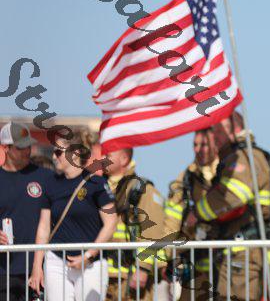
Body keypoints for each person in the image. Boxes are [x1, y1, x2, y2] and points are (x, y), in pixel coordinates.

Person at [28, 133, 118, 300]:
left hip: (91, 263)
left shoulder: (96, 183)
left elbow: (111, 223)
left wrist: (89, 255)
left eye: (58, 152)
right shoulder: (50, 184)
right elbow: (44, 227)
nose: (54, 157)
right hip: (56, 260)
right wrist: (37, 266)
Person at [193, 113, 270, 301]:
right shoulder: (237, 156)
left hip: (244, 252)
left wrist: (197, 213)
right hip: (238, 252)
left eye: (220, 131)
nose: (215, 137)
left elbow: (233, 195)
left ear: (235, 130)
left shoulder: (244, 157)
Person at [103, 147, 167, 301]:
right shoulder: (100, 189)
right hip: (104, 277)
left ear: (124, 159)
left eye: (108, 154)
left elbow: (152, 232)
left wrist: (143, 269)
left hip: (131, 277)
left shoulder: (142, 190)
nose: (102, 157)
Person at [163, 129, 220, 300]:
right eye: (195, 144)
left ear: (216, 144)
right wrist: (168, 258)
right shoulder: (185, 178)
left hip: (225, 262)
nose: (198, 149)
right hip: (194, 262)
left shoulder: (226, 173)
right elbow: (171, 221)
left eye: (204, 144)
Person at [0, 122, 53, 301]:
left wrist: (38, 266)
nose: (27, 151)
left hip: (38, 270)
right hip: (3, 271)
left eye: (28, 145)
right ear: (5, 148)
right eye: (20, 147)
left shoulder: (46, 176)